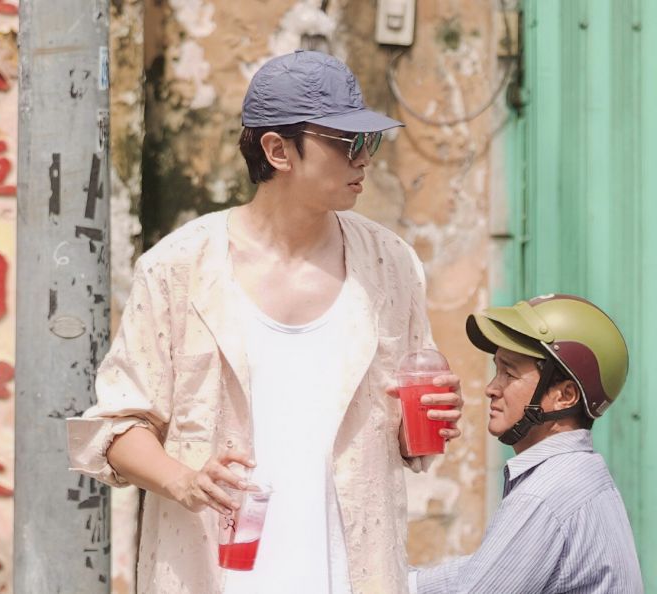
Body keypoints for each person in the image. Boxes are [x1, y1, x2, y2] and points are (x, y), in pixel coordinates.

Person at [67, 49, 463, 594]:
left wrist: (426, 419)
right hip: (212, 573)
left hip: (353, 574)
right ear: (278, 150)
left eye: (369, 140)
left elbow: (401, 437)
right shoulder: (178, 267)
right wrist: (186, 480)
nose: (364, 158)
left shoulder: (390, 265)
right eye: (347, 141)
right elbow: (115, 428)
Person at [410, 294, 643, 594]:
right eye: (496, 370)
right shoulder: (579, 473)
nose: (491, 388)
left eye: (509, 373)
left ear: (565, 396)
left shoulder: (544, 495)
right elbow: (484, 570)